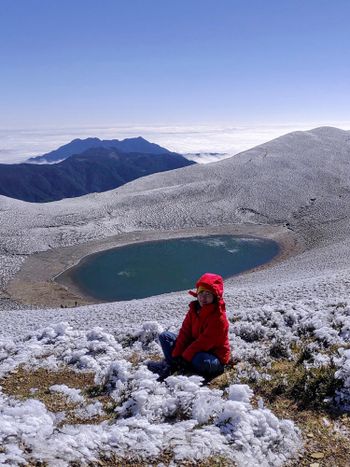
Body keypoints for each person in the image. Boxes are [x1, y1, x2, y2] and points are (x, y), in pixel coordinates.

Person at [147, 272, 231, 381]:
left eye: (208, 294)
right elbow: (185, 332)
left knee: (200, 359)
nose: (203, 298)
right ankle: (174, 365)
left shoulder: (219, 318)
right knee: (165, 336)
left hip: (213, 356)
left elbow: (204, 342)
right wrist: (177, 354)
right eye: (201, 293)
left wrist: (185, 357)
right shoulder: (194, 310)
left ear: (215, 297)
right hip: (193, 348)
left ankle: (185, 367)